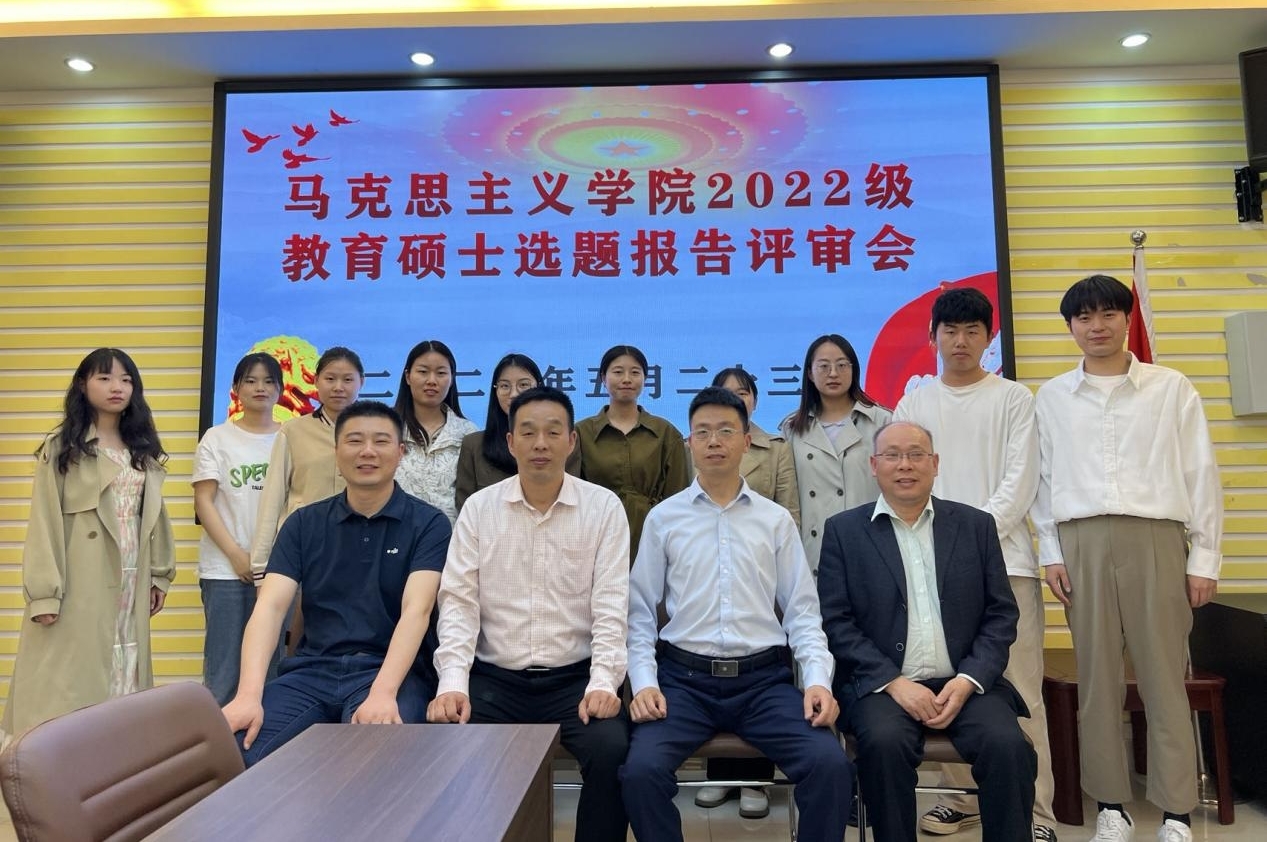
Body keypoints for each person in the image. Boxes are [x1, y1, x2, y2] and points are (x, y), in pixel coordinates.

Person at [1033, 275, 1224, 842]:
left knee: (1164, 677)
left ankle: (1176, 812)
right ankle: (1112, 807)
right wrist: (1051, 553)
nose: (1097, 327)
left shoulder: (1170, 388)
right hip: (1081, 542)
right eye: (1084, 317)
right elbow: (1043, 481)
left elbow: (1200, 471)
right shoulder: (1052, 398)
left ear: (1126, 318)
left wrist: (1204, 557)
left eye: (1108, 314)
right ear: (1071, 327)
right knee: (1097, 682)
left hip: (1156, 538)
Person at [621, 386, 853, 842]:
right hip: (683, 682)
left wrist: (817, 682)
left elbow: (803, 613)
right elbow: (640, 612)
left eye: (726, 431)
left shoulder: (774, 520)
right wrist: (645, 683)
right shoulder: (664, 518)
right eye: (703, 432)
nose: (714, 441)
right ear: (688, 442)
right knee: (640, 772)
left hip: (763, 683)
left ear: (747, 441)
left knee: (830, 765)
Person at [429, 386, 630, 842]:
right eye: (529, 432)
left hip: (574, 679)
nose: (541, 443)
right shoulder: (479, 509)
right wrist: (453, 683)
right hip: (495, 681)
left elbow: (611, 605)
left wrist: (604, 682)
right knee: (449, 746)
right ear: (511, 441)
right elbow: (458, 603)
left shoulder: (603, 508)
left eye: (553, 432)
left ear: (571, 441)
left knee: (612, 750)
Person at [818, 421, 1036, 842]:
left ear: (935, 464)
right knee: (883, 745)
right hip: (884, 688)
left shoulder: (975, 526)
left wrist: (969, 679)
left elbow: (1001, 615)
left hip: (967, 684)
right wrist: (894, 683)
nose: (905, 465)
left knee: (1008, 746)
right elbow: (837, 622)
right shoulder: (844, 532)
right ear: (874, 465)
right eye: (893, 455)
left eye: (916, 455)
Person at [893, 288, 1057, 841]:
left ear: (989, 338)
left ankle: (1035, 813)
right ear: (933, 337)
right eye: (950, 331)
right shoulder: (915, 402)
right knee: (943, 682)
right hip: (924, 564)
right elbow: (903, 475)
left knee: (1019, 690)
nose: (960, 341)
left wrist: (968, 542)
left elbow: (1020, 480)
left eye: (972, 331)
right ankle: (960, 800)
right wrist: (940, 546)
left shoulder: (1014, 398)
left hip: (1006, 564)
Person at [222, 401, 450, 765]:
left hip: (388, 672)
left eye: (381, 441)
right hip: (311, 672)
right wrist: (248, 695)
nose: (367, 451)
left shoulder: (429, 524)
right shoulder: (303, 523)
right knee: (237, 749)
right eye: (355, 440)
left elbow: (417, 611)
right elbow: (271, 607)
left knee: (374, 756)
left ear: (400, 453)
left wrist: (383, 693)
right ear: (336, 451)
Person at [1, 348, 175, 740]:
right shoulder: (64, 448)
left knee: (125, 661)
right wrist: (44, 594)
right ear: (83, 385)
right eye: (105, 378)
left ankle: (116, 760)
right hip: (81, 577)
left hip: (132, 573)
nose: (117, 387)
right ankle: (57, 763)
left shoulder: (141, 448)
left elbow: (155, 516)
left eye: (126, 380)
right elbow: (44, 521)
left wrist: (159, 575)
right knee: (68, 681)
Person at [692, 366, 800, 819]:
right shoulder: (700, 445)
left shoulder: (775, 447)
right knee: (713, 649)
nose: (737, 397)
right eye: (728, 392)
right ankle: (720, 775)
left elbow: (790, 505)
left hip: (761, 567)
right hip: (710, 563)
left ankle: (756, 780)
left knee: (755, 667)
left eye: (744, 392)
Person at [193, 352, 283, 705]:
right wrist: (236, 555)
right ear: (235, 389)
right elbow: (204, 502)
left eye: (269, 381)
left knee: (273, 669)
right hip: (225, 569)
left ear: (280, 389)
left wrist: (274, 561)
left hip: (278, 570)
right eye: (251, 381)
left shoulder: (290, 437)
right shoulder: (217, 438)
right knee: (224, 669)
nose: (261, 388)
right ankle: (219, 739)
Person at [249, 345, 364, 576]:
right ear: (315, 381)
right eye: (330, 379)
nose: (338, 387)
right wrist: (261, 567)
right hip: (303, 550)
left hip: (361, 549)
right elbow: (272, 499)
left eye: (347, 379)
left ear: (361, 382)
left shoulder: (376, 432)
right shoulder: (293, 431)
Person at [781, 333, 891, 573]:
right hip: (812, 552)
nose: (833, 373)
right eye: (823, 366)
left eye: (842, 365)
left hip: (870, 546)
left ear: (854, 370)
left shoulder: (883, 422)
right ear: (809, 373)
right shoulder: (792, 429)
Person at [577, 344, 690, 559]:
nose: (627, 379)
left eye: (635, 372)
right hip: (593, 538)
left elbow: (678, 498)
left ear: (645, 378)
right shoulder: (581, 433)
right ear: (603, 378)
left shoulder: (666, 433)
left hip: (653, 539)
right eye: (618, 372)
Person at [454, 353, 579, 513]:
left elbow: (573, 493)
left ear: (539, 386)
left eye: (523, 385)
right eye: (505, 386)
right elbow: (465, 506)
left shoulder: (562, 440)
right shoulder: (473, 445)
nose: (513, 394)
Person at [392, 339, 477, 524]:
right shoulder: (387, 428)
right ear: (408, 376)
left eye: (441, 373)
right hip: (395, 533)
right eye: (423, 372)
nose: (432, 381)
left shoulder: (468, 433)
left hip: (451, 536)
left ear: (452, 378)